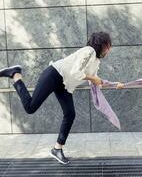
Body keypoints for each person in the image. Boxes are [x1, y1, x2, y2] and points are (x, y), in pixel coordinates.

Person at [0, 32, 122, 164]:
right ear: (102, 44)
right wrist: (93, 78)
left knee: (70, 114)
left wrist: (115, 84)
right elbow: (77, 72)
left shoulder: (96, 60)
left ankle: (57, 149)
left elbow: (95, 80)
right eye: (108, 46)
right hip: (54, 75)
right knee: (30, 107)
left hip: (64, 84)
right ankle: (15, 74)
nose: (109, 50)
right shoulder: (89, 51)